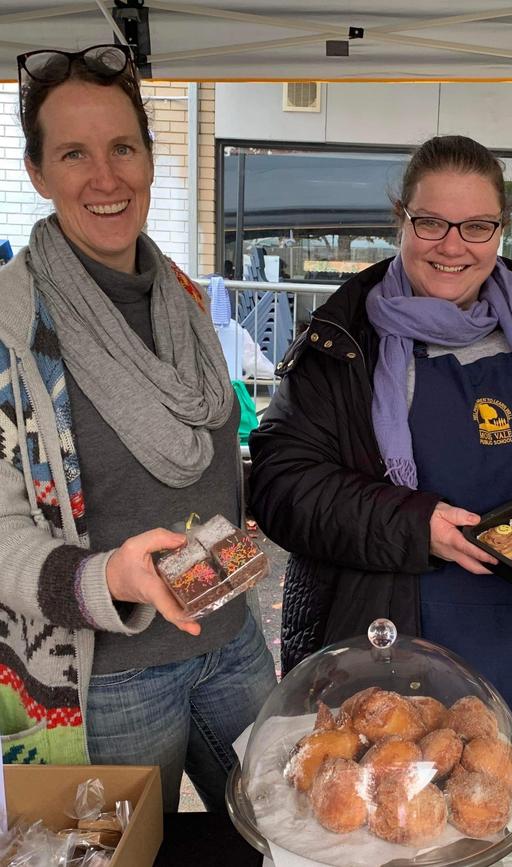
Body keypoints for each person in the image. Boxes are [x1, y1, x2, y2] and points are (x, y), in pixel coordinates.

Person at [249, 135, 512, 810]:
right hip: (411, 653)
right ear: (400, 217)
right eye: (430, 222)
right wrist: (411, 522)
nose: (452, 245)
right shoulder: (344, 336)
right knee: (425, 826)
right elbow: (281, 483)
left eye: (478, 226)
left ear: (502, 229)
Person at [0, 44, 276, 812]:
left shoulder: (179, 292)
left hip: (230, 636)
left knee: (290, 830)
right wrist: (104, 578)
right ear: (37, 173)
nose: (106, 177)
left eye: (123, 147)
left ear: (149, 157)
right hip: (108, 674)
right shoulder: (9, 326)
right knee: (123, 853)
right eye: (74, 154)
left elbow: (213, 459)